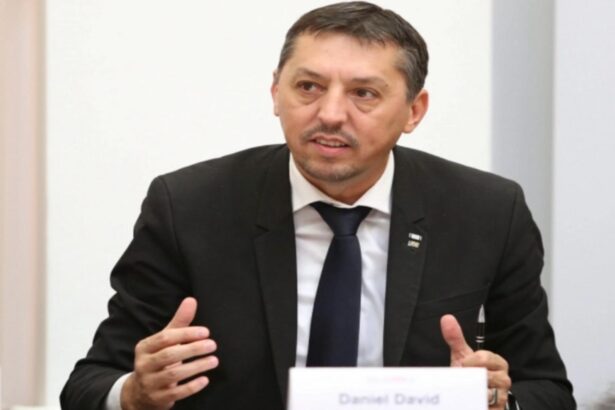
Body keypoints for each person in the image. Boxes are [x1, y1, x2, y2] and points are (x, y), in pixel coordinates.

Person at [60, 2, 575, 409]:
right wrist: (135, 393)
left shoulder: (487, 212)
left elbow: (548, 390)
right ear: (275, 92)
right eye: (308, 87)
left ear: (413, 111)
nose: (329, 114)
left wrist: (497, 400)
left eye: (363, 94)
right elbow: (88, 385)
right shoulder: (190, 206)